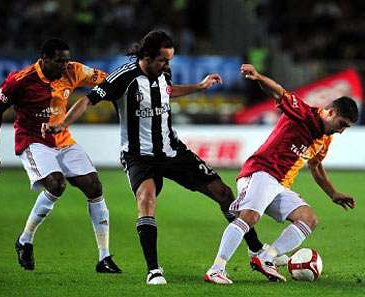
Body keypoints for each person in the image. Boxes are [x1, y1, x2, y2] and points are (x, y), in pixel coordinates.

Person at [43, 30, 266, 285]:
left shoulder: (163, 73)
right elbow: (87, 100)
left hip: (172, 150)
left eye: (169, 60)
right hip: (140, 157)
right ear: (147, 57)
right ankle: (154, 270)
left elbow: (168, 90)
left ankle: (256, 249)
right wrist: (62, 123)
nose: (167, 65)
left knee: (224, 193)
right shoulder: (124, 78)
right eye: (163, 60)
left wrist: (200, 87)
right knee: (146, 200)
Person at [204, 64, 358, 284]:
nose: (341, 131)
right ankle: (216, 269)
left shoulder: (325, 139)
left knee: (308, 219)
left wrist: (333, 194)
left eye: (347, 128)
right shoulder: (303, 113)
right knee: (249, 217)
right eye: (342, 124)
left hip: (279, 185)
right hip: (260, 172)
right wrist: (258, 77)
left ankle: (265, 258)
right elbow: (279, 91)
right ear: (330, 112)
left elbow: (316, 167)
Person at [0, 38, 121, 273]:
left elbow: (107, 80)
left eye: (67, 60)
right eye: (59, 61)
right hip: (33, 141)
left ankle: (104, 257)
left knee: (94, 186)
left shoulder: (74, 70)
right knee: (56, 184)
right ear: (44, 59)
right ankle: (25, 240)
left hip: (63, 139)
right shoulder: (20, 80)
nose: (64, 65)